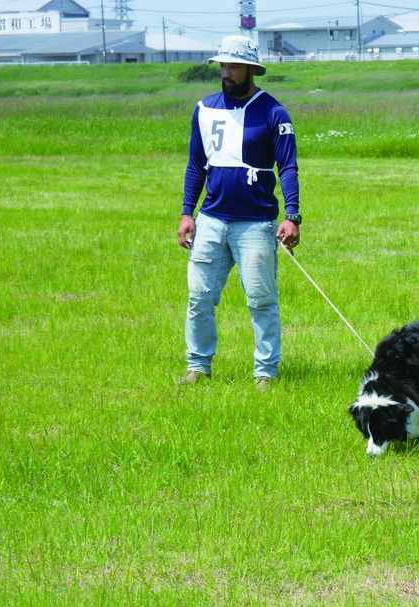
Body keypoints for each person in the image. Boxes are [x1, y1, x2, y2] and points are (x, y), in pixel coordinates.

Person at [177, 35, 301, 391]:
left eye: (234, 67)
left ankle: (266, 372)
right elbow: (196, 165)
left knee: (261, 300)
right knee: (199, 297)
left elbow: (288, 167)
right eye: (223, 66)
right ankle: (197, 367)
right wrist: (187, 212)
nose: (226, 73)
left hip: (256, 224)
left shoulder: (273, 112)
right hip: (211, 220)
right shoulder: (204, 109)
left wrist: (292, 215)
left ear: (251, 70)